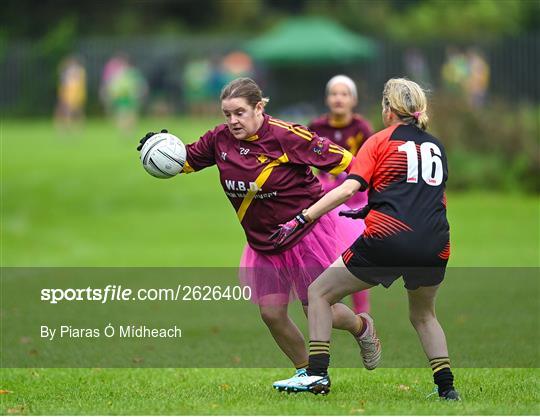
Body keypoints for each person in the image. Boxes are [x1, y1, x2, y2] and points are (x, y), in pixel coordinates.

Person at [137, 77, 367, 375]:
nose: (232, 121)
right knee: (272, 313)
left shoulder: (287, 136)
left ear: (259, 108)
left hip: (305, 233)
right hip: (263, 241)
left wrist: (365, 188)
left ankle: (362, 327)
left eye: (239, 113)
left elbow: (348, 162)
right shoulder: (219, 139)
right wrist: (159, 150)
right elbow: (186, 161)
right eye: (227, 114)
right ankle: (306, 373)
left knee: (322, 311)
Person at [271, 78, 460, 401]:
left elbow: (348, 188)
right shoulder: (435, 146)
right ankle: (447, 389)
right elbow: (420, 194)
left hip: (390, 239)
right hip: (435, 242)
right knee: (423, 315)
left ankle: (316, 373)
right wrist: (373, 208)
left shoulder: (378, 141)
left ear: (388, 110)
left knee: (318, 292)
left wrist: (304, 217)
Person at [309, 75, 373, 314]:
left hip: (354, 204)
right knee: (325, 259)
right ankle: (331, 309)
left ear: (353, 100)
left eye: (344, 94)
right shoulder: (316, 127)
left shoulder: (361, 128)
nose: (339, 99)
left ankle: (362, 313)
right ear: (327, 98)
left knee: (357, 258)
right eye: (334, 94)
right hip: (324, 201)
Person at [54, 55, 87, 129]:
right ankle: (68, 126)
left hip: (73, 93)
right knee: (68, 111)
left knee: (75, 111)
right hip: (68, 93)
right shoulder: (69, 71)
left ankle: (73, 126)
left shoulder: (78, 71)